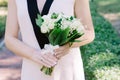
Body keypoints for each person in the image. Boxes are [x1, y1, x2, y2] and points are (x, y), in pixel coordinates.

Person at [5, 0, 95, 80]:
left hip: (67, 70)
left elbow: (89, 32)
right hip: (32, 70)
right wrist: (33, 54)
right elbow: (9, 38)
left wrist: (69, 44)